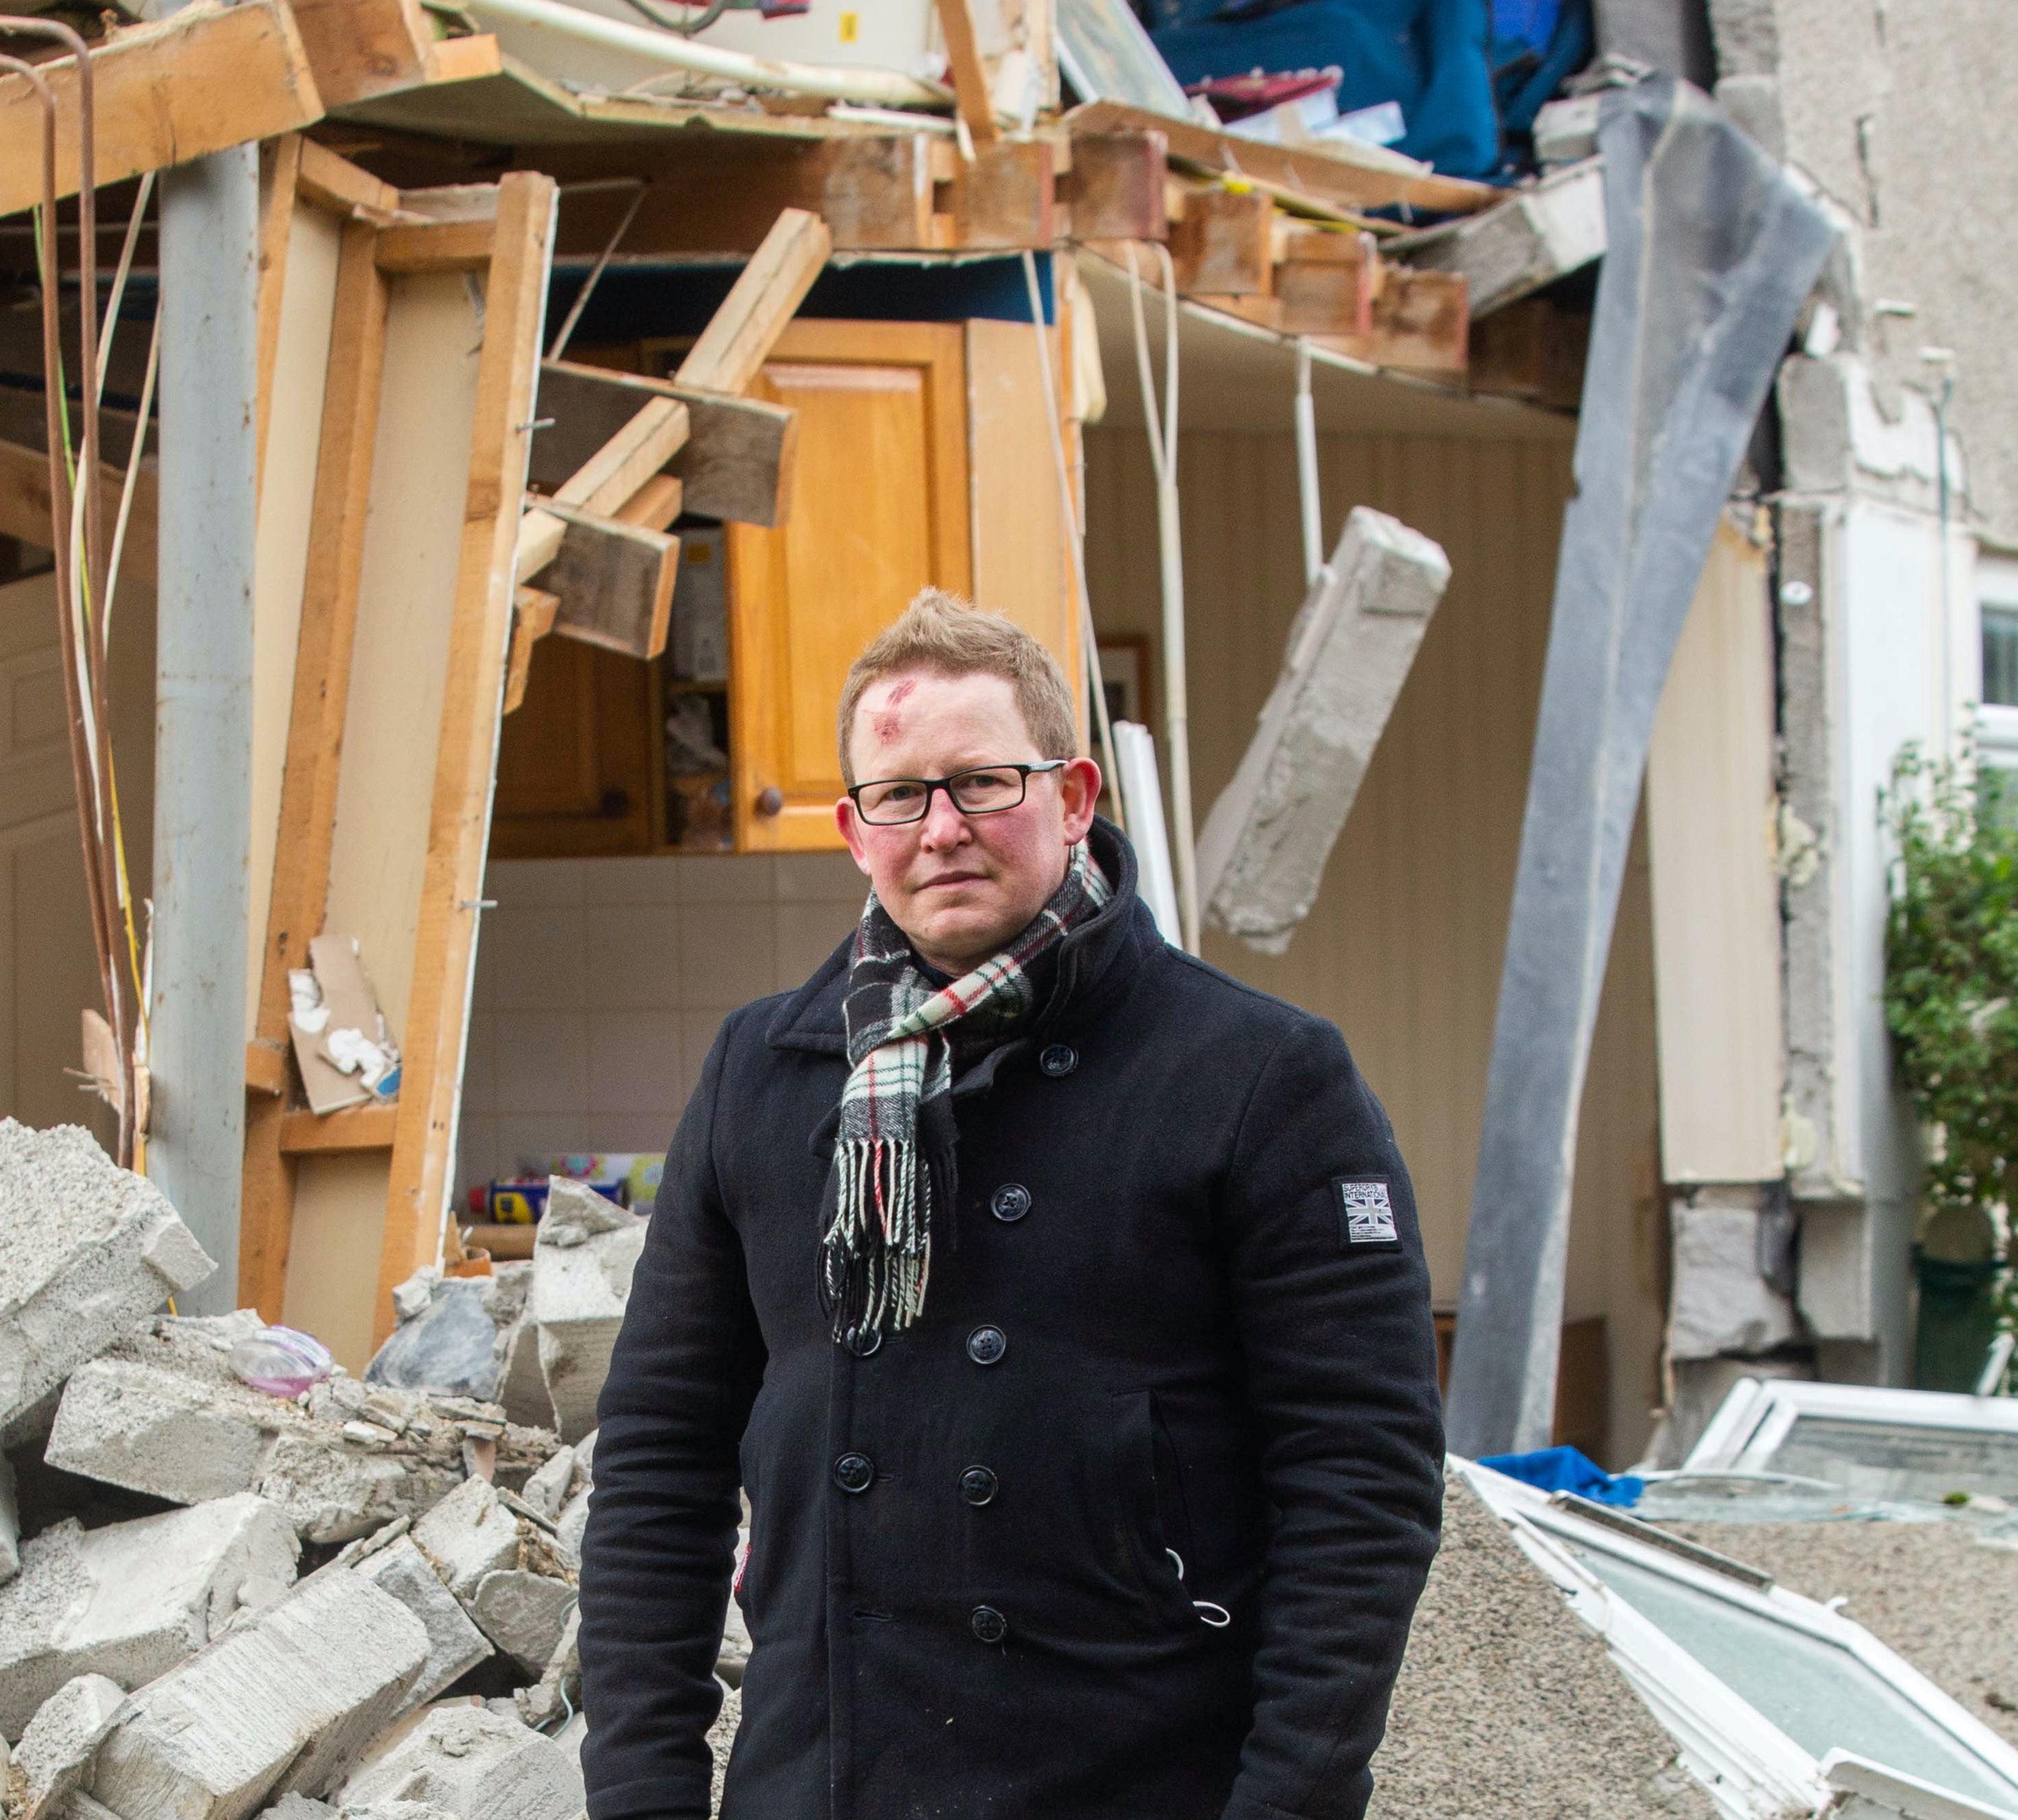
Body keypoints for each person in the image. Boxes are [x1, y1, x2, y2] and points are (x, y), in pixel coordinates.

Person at [577, 590, 1445, 1820]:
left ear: (1073, 795)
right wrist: (643, 1792)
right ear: (852, 827)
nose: (940, 828)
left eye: (982, 782)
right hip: (820, 1783)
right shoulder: (761, 1074)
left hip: (1134, 1778)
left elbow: (1363, 1482)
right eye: (898, 794)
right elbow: (660, 1464)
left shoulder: (1258, 1076)